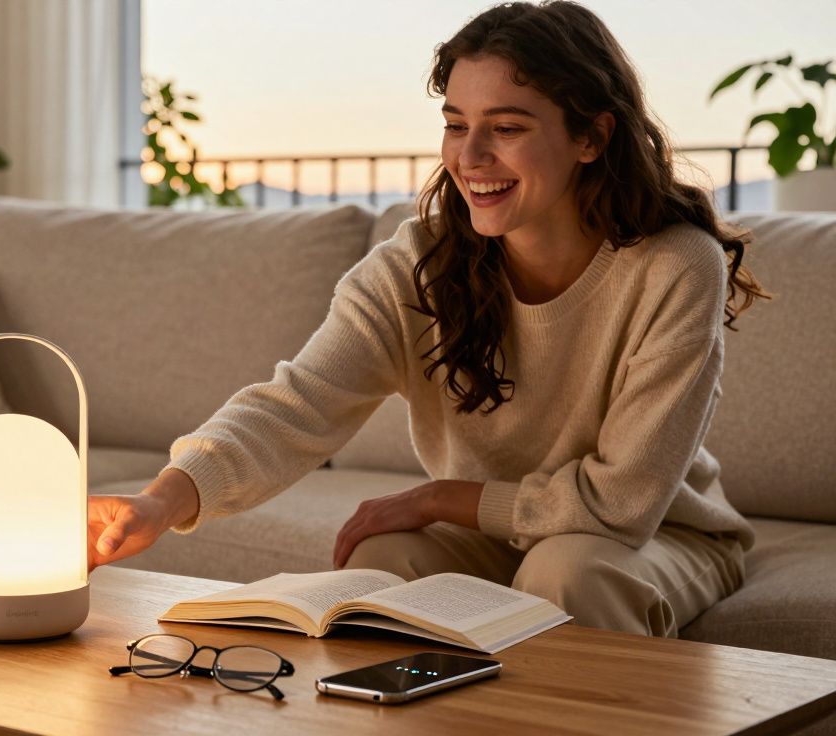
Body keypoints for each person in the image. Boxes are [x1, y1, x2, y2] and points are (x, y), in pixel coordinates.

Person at [85, 0, 769, 636]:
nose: (470, 158)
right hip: (499, 538)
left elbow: (621, 504)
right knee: (379, 565)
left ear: (590, 137)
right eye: (455, 125)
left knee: (567, 572)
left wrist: (442, 497)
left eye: (505, 128)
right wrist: (162, 501)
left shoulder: (675, 265)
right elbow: (297, 405)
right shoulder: (417, 263)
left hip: (652, 537)